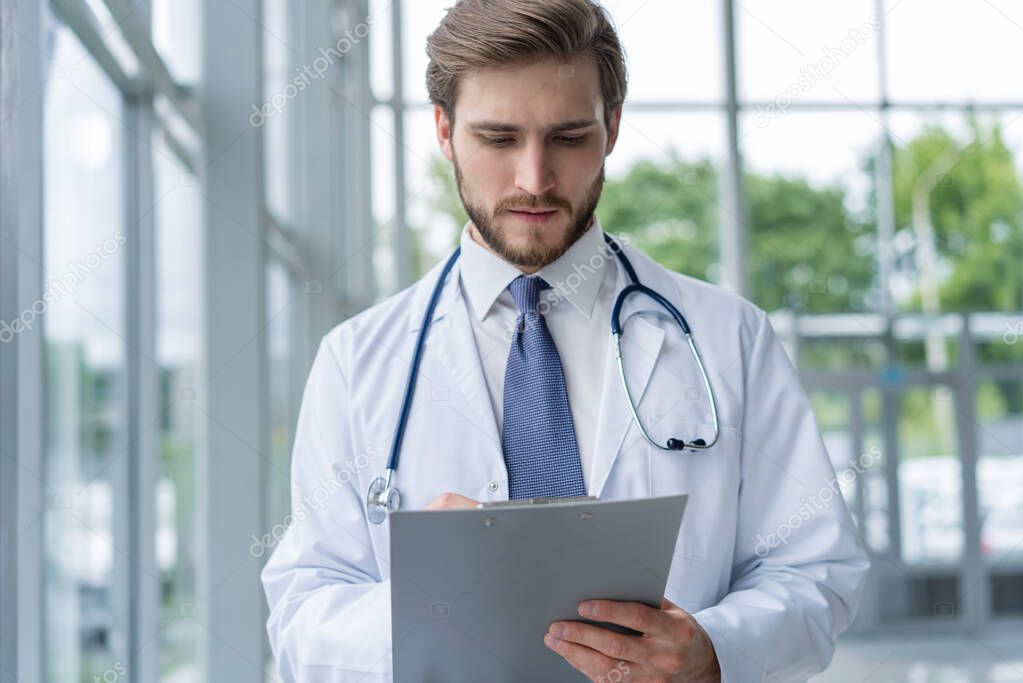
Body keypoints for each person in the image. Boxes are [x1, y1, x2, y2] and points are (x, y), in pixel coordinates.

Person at [261, 1, 870, 680]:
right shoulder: (358, 362)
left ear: (611, 126)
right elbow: (302, 608)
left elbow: (816, 569)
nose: (534, 179)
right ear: (443, 132)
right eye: (497, 139)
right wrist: (423, 606)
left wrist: (713, 649)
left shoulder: (729, 337)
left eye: (568, 136)